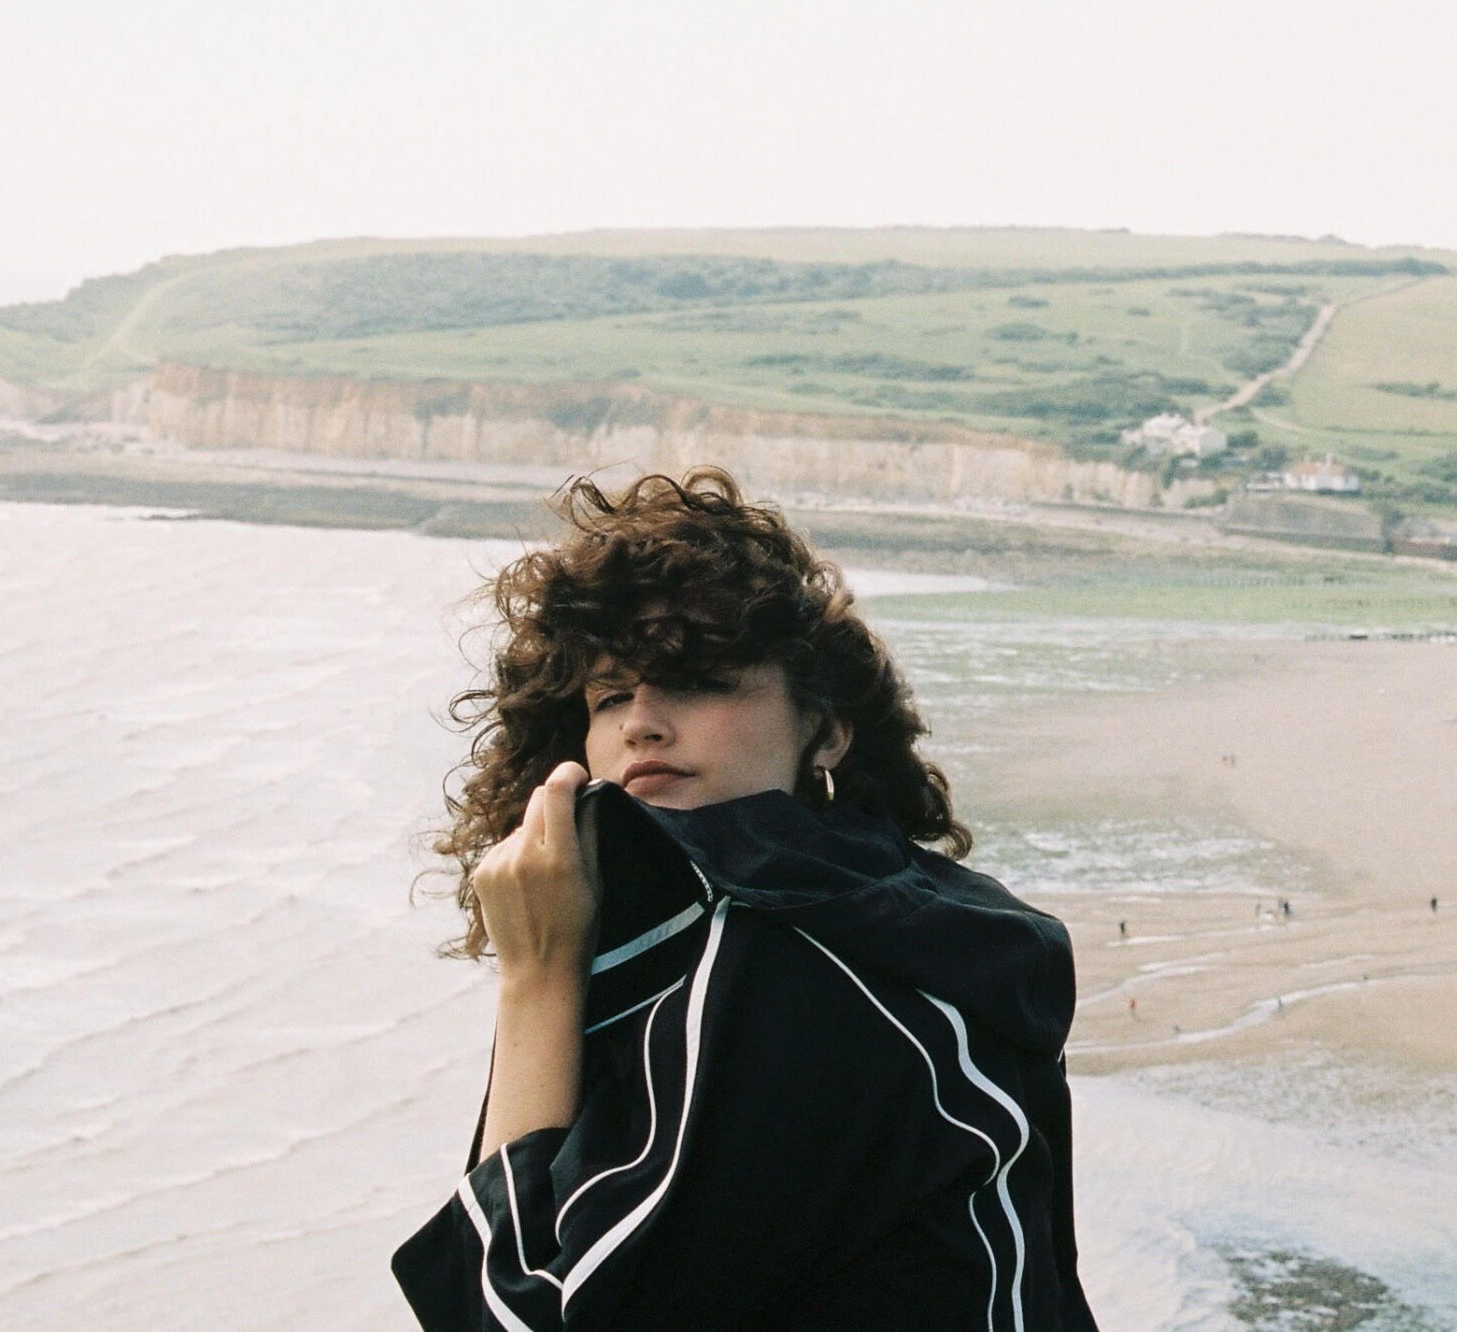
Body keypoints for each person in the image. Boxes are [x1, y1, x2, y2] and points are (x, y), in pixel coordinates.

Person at [392, 470, 1097, 1330]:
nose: (641, 721)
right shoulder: (913, 926)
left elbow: (517, 1313)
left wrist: (538, 979)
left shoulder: (791, 973)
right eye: (610, 695)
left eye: (699, 676)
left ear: (827, 728)